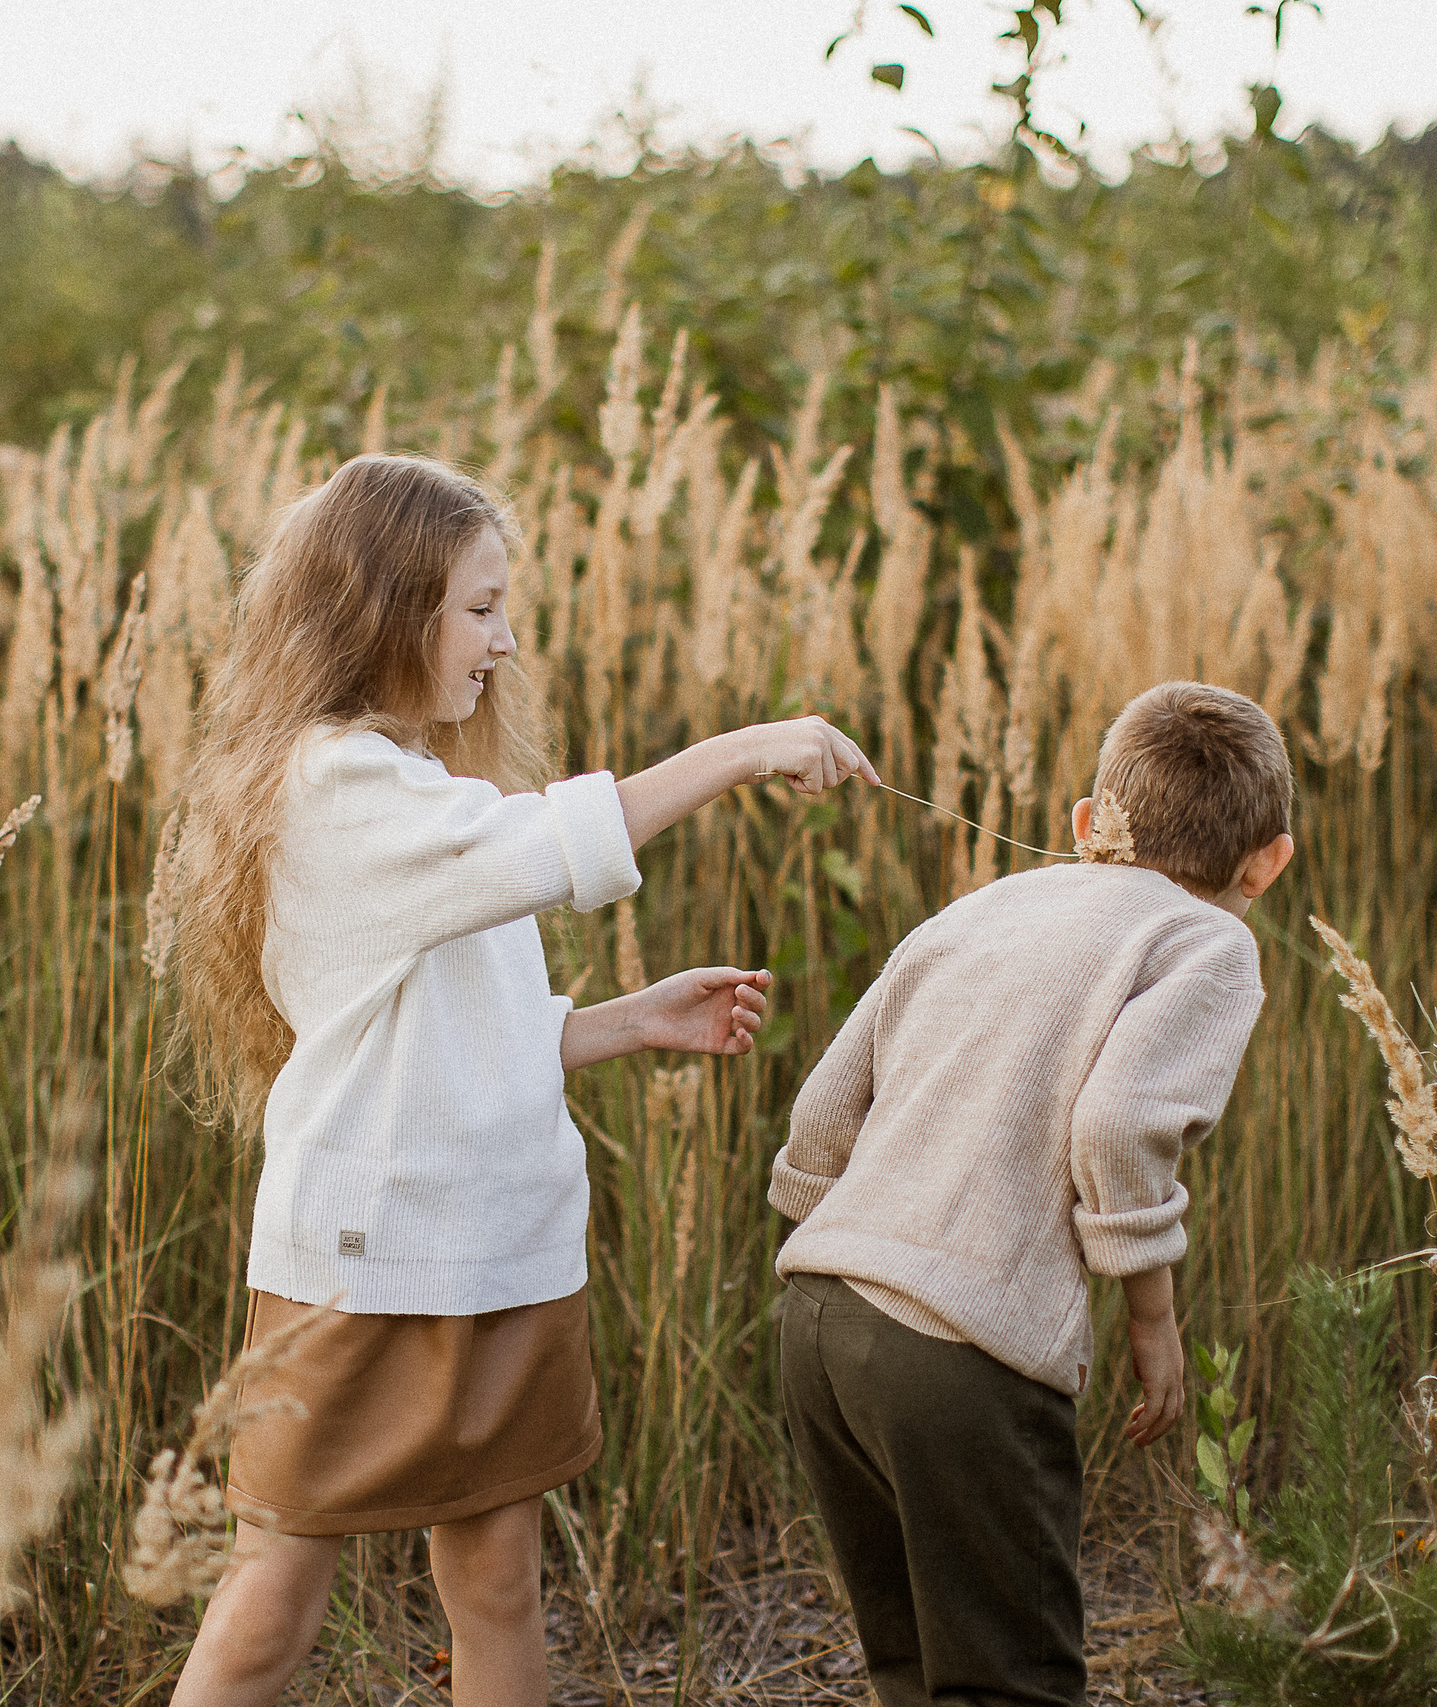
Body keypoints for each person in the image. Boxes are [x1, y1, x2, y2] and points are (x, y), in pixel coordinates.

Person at [166, 453, 878, 1707]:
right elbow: (548, 850)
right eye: (480, 608)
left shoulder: (417, 782)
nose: (504, 641)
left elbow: (435, 1035)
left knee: (498, 1584)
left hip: (495, 1248)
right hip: (361, 1261)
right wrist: (749, 746)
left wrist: (615, 1024)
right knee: (271, 1604)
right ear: (388, 612)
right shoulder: (332, 785)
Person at [768, 680, 1297, 1707]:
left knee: (910, 1666)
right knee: (1012, 1682)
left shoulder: (977, 909)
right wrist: (1152, 1317)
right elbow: (1109, 1127)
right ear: (1268, 861)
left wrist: (851, 1239)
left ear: (1087, 824)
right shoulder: (1208, 945)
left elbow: (824, 1106)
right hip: (957, 1354)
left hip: (816, 1316)